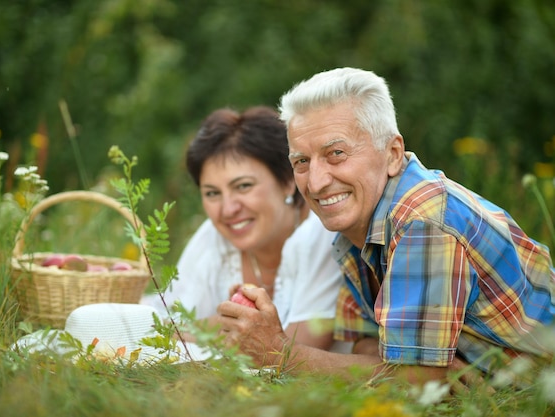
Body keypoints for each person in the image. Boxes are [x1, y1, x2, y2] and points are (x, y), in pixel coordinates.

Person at [215, 67, 555, 386]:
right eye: (301, 161)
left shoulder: (422, 220)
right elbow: (366, 344)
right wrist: (417, 370)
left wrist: (277, 352)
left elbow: (415, 382)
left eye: (336, 153)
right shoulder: (357, 224)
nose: (316, 183)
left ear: (393, 153)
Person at [144, 106, 347, 351]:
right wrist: (220, 327)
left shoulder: (322, 232)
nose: (228, 209)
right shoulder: (213, 235)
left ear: (286, 181)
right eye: (212, 193)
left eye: (243, 186)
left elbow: (298, 349)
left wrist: (213, 328)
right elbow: (165, 324)